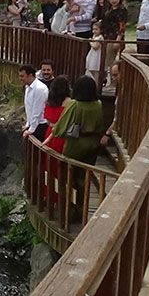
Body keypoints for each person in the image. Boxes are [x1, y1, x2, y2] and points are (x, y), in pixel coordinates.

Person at [44, 76, 104, 220]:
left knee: (66, 179)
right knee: (84, 179)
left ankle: (68, 212)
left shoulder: (75, 105)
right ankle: (82, 210)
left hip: (75, 147)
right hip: (92, 146)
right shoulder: (98, 104)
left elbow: (59, 129)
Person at [41, 75, 71, 204]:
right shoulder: (69, 103)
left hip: (49, 133)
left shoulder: (49, 101)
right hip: (62, 136)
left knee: (49, 167)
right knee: (61, 168)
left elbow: (47, 119)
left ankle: (49, 195)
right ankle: (61, 198)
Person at [101, 0, 128, 75]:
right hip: (107, 36)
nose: (114, 1)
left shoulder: (121, 10)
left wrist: (118, 39)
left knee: (112, 60)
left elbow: (122, 25)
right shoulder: (109, 9)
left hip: (115, 37)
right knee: (108, 60)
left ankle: (114, 81)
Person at [20, 65, 49, 141]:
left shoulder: (40, 89)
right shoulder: (27, 87)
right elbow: (29, 108)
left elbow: (37, 111)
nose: (20, 79)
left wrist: (31, 130)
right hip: (33, 123)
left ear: (30, 75)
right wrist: (27, 124)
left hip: (40, 125)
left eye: (22, 76)